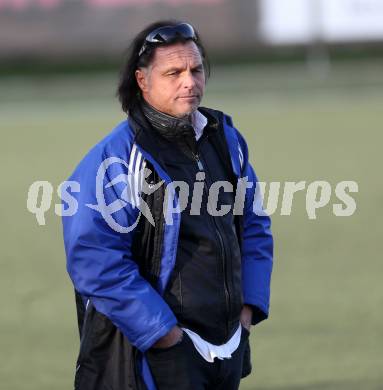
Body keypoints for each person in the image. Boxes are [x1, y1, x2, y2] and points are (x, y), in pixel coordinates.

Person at [62, 20, 274, 390]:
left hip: (228, 344)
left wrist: (247, 310)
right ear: (143, 81)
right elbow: (94, 260)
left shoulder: (226, 140)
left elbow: (253, 224)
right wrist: (164, 336)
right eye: (173, 72)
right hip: (156, 352)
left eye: (195, 69)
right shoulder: (115, 159)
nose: (189, 82)